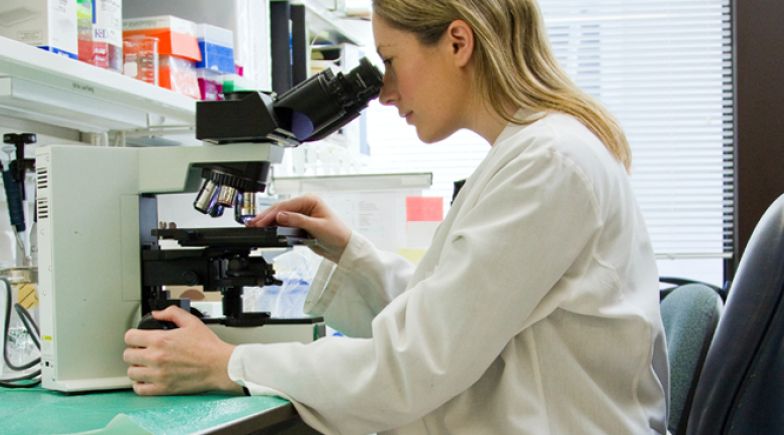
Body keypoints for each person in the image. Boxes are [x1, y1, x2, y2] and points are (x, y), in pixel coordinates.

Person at [123, 0, 669, 433]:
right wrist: (350, 251)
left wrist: (227, 365)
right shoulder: (537, 153)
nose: (384, 92)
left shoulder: (547, 164)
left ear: (457, 41)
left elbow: (411, 367)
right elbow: (458, 316)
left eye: (390, 60)